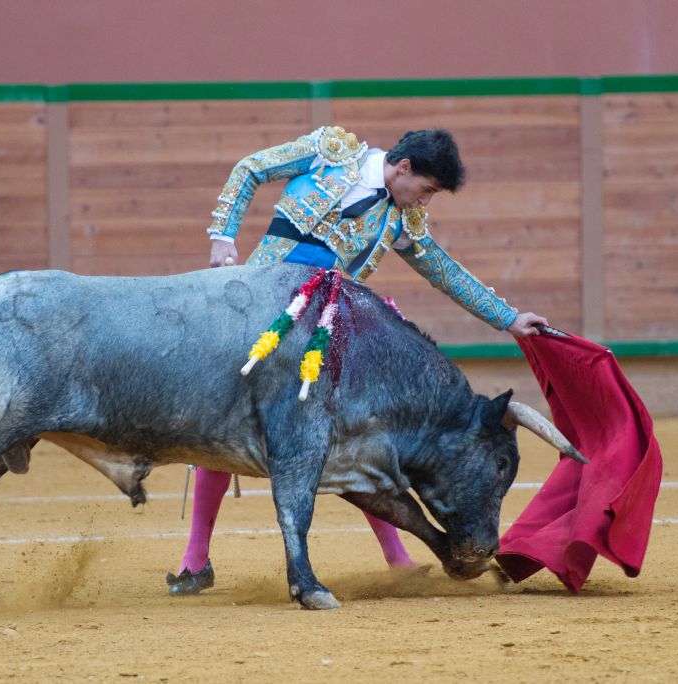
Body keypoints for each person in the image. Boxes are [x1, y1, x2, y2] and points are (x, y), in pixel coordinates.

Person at [165, 126, 548, 595]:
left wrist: (508, 318)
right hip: (259, 309)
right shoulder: (328, 153)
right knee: (226, 422)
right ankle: (195, 560)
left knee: (358, 435)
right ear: (403, 168)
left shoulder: (402, 222)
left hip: (325, 326)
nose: (424, 203)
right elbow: (250, 168)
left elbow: (445, 271)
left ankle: (398, 558)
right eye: (426, 190)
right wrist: (223, 237)